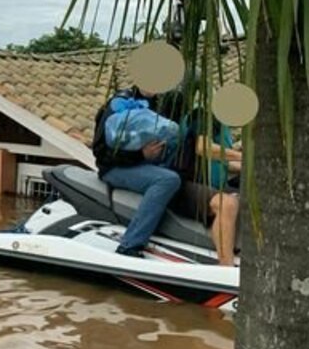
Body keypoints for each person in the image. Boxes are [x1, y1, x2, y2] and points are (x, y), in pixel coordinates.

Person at [94, 87, 239, 266]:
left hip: (152, 168)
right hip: (117, 167)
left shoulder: (164, 105)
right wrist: (141, 155)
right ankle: (129, 245)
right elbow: (101, 151)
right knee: (168, 179)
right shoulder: (121, 104)